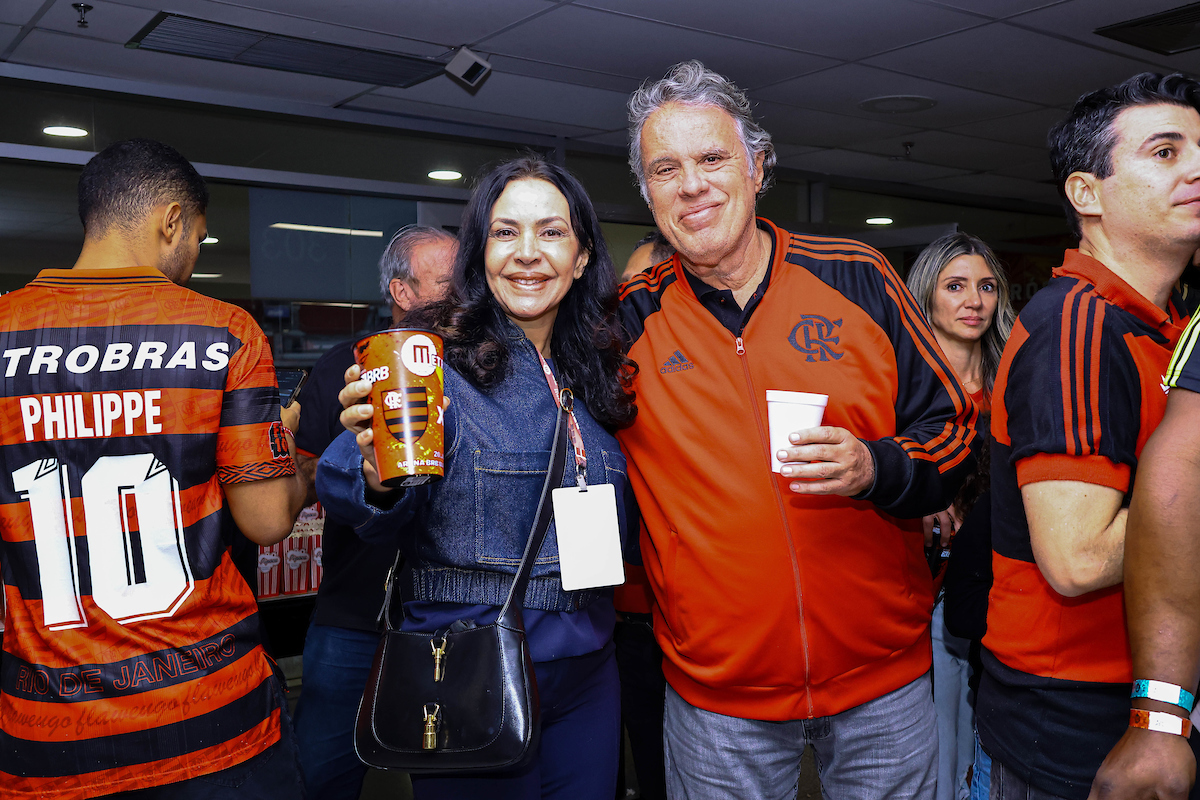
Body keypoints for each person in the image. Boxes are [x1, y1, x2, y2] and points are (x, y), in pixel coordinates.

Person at [616, 60, 977, 798]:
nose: (692, 185)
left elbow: (953, 427)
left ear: (757, 167)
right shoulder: (626, 319)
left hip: (884, 684)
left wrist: (877, 468)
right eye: (666, 169)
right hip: (717, 701)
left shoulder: (856, 276)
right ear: (647, 192)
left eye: (713, 158)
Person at [317, 156, 636, 800]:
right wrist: (375, 474)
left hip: (590, 671)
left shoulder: (597, 374)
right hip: (469, 667)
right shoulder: (433, 363)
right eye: (504, 231)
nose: (527, 253)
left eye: (550, 232)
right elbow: (353, 482)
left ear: (580, 258)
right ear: (480, 254)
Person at [0, 139, 308, 799]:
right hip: (210, 720)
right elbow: (266, 521)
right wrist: (297, 457)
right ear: (171, 220)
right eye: (196, 238)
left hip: (49, 729)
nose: (194, 258)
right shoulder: (224, 332)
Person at [976, 72, 1200, 800]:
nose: (1196, 167)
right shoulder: (1077, 326)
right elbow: (1074, 557)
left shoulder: (1163, 327)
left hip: (1148, 683)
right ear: (1087, 193)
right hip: (1073, 700)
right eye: (1165, 152)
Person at [290, 224, 456, 800]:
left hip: (453, 620)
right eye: (445, 282)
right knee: (323, 770)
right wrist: (351, 461)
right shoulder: (341, 368)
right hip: (354, 612)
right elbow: (303, 481)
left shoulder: (480, 370)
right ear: (402, 292)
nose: (462, 293)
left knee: (456, 770)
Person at [906, 232, 1015, 800]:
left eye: (986, 286)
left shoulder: (1013, 382)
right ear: (926, 297)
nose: (974, 300)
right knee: (930, 740)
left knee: (982, 735)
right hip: (916, 582)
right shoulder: (898, 386)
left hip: (998, 584)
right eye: (956, 286)